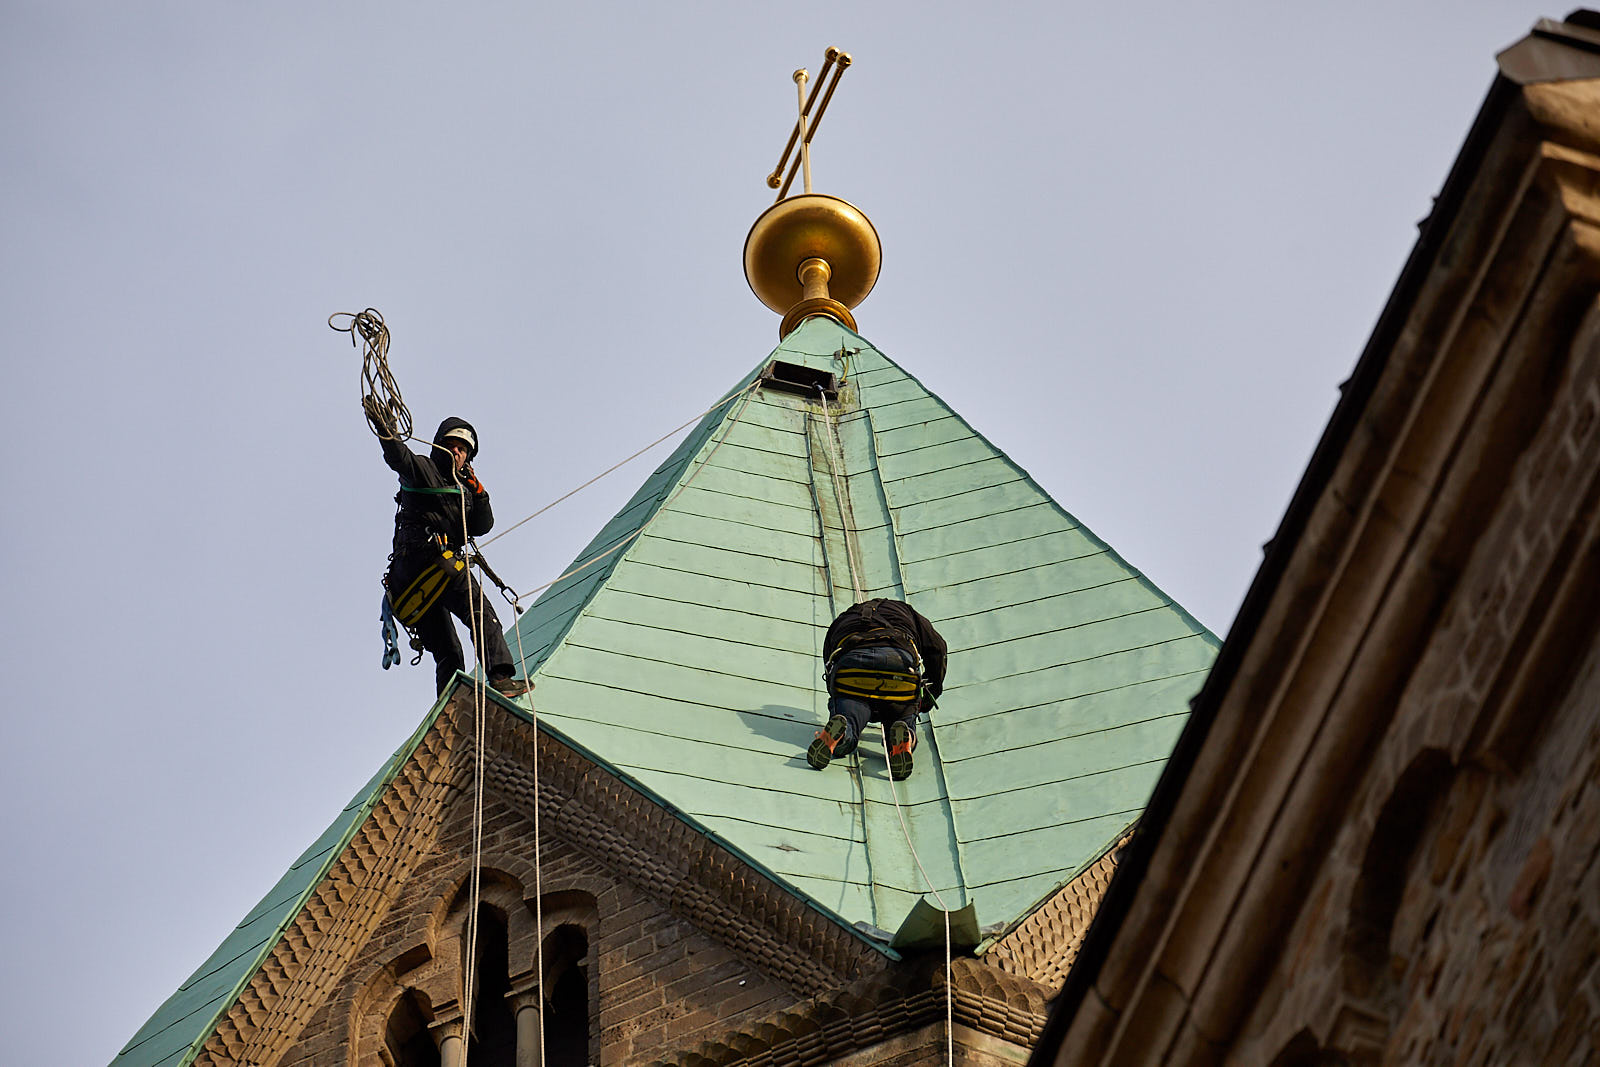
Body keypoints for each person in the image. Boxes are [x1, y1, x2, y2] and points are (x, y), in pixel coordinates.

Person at [364, 398, 526, 697]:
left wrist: (479, 494)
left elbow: (482, 526)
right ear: (439, 445)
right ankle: (501, 677)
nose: (456, 450)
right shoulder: (424, 469)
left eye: (462, 448)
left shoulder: (464, 492)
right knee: (480, 612)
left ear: (468, 458)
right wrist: (387, 431)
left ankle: (449, 706)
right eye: (451, 444)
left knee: (449, 652)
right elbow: (400, 457)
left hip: (418, 579)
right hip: (428, 563)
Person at [808, 598, 947, 781]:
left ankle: (842, 734)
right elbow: (938, 648)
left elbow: (830, 664)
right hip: (899, 669)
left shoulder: (845, 618)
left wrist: (839, 696)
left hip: (853, 669)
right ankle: (903, 738)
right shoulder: (908, 614)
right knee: (901, 716)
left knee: (850, 715)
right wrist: (928, 698)